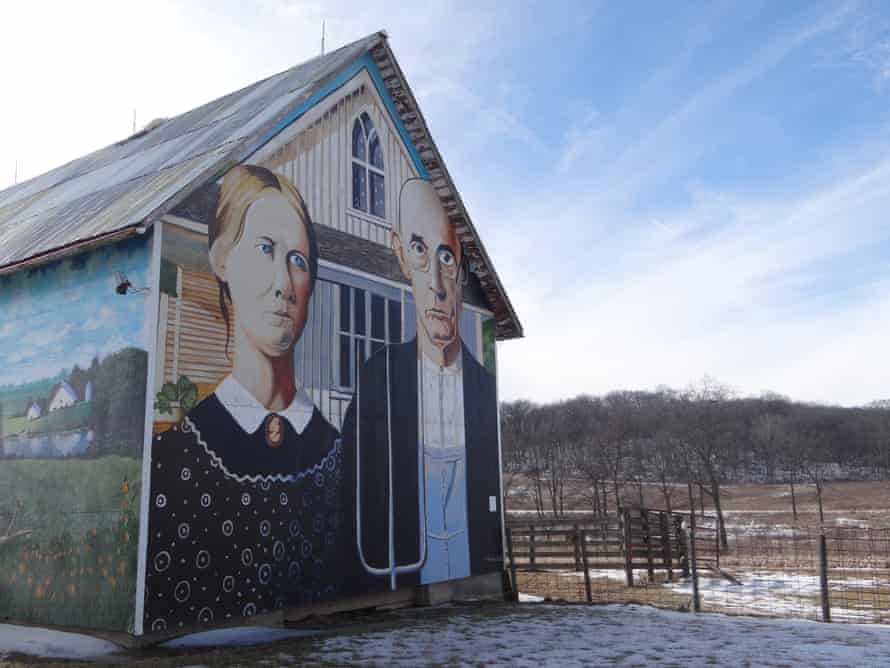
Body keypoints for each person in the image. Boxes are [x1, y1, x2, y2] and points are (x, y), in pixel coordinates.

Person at [144, 165, 345, 632]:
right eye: (265, 249)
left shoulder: (340, 455)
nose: (283, 283)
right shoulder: (173, 463)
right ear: (221, 260)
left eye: (298, 260)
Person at [343, 177, 501, 592]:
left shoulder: (483, 391)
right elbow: (351, 498)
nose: (435, 281)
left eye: (446, 258)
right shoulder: (377, 377)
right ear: (399, 254)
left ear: (463, 271)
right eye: (418, 251)